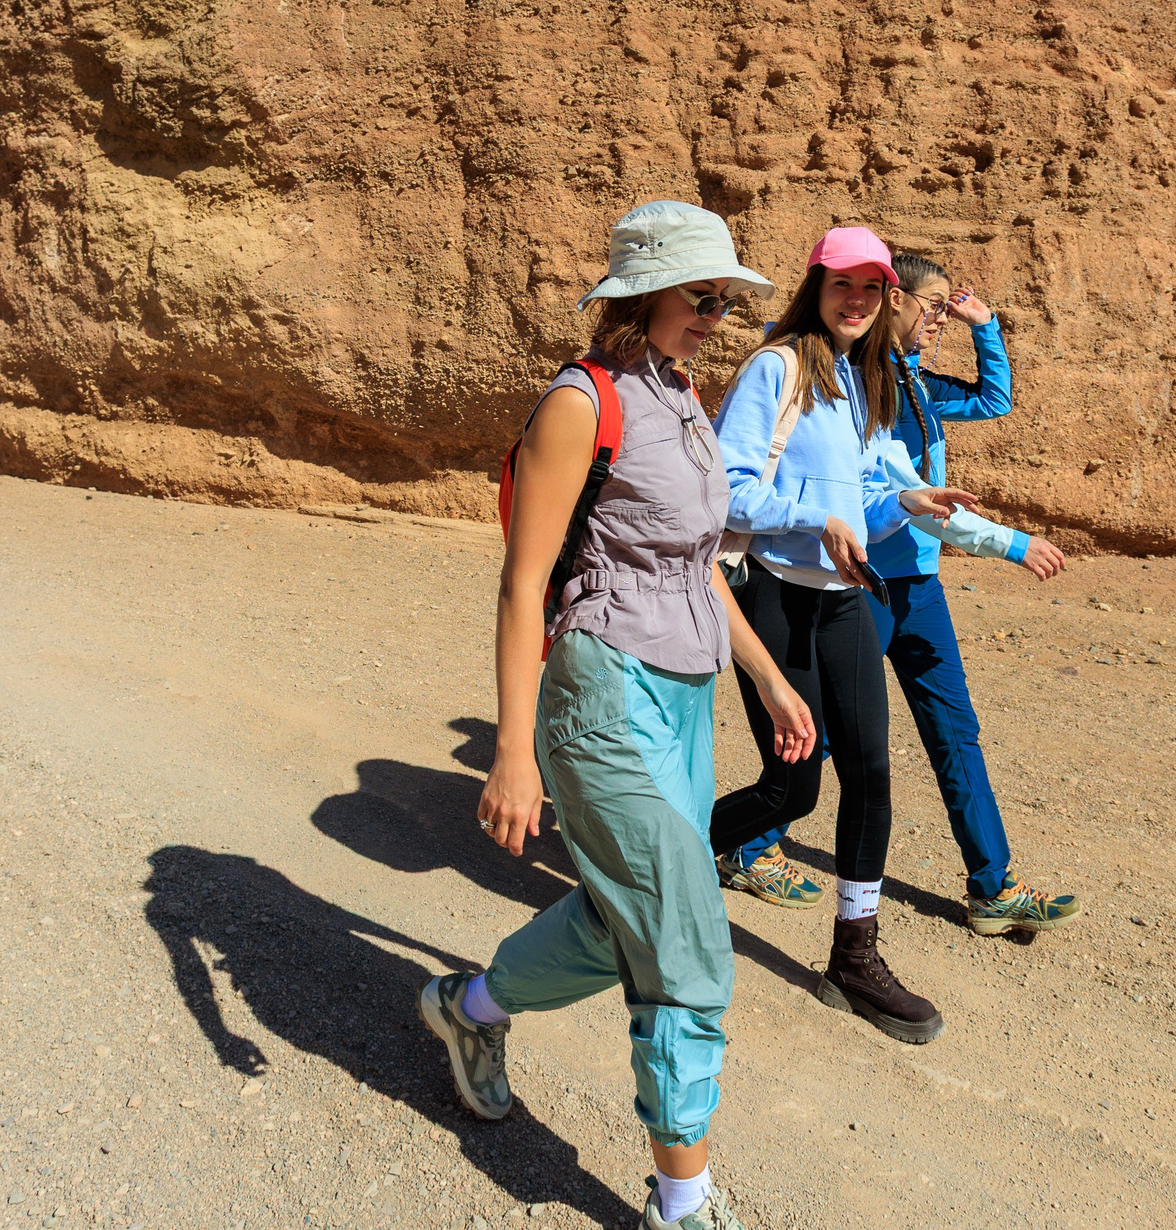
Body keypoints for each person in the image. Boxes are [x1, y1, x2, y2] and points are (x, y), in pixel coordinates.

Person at [419, 200, 816, 1230]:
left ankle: (468, 1010)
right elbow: (523, 584)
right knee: (683, 933)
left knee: (620, 916)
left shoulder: (682, 392)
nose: (717, 314)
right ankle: (682, 1203)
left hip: (684, 692)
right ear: (642, 294)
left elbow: (695, 563)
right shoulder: (579, 403)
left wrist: (768, 676)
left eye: (726, 299)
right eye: (701, 294)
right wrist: (513, 751)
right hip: (600, 691)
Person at [721, 254, 1081, 935]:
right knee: (823, 740)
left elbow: (992, 401)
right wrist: (1008, 542)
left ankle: (991, 884)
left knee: (954, 731)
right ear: (897, 303)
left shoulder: (913, 382)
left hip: (921, 584)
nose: (942, 318)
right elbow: (885, 486)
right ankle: (749, 844)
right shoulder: (846, 378)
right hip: (866, 585)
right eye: (934, 305)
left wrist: (988, 326)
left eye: (949, 307)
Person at [708, 227, 976, 1046]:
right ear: (816, 285)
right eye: (842, 284)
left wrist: (907, 505)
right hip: (778, 597)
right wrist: (810, 519)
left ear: (888, 296)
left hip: (845, 598)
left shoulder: (864, 380)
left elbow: (856, 496)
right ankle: (666, 863)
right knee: (793, 789)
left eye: (872, 288)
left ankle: (851, 958)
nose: (856, 300)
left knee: (870, 773)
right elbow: (725, 488)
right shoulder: (777, 365)